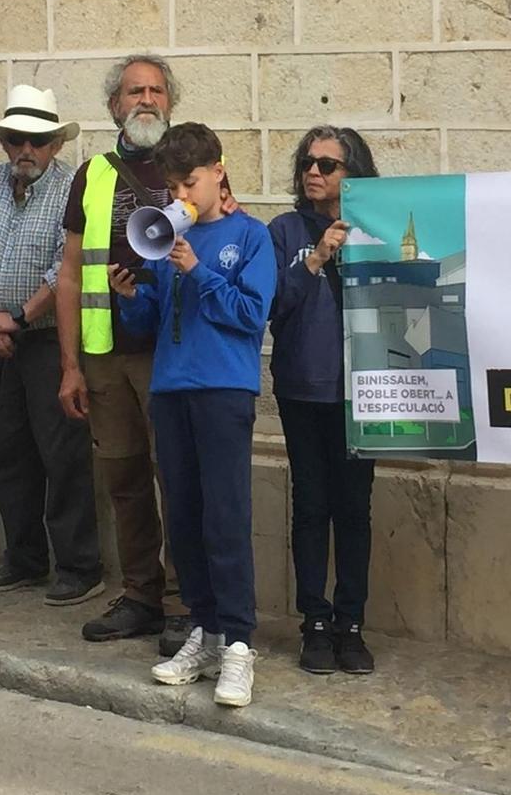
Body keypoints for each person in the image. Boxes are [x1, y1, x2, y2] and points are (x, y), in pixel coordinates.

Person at [109, 123, 276, 709]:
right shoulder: (165, 240)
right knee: (183, 516)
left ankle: (238, 643)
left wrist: (196, 269)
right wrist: (133, 296)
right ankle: (203, 631)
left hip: (224, 389)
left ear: (218, 172)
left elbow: (251, 315)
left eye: (191, 182)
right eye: (173, 184)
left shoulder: (251, 237)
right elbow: (151, 323)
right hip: (171, 387)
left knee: (225, 517)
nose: (181, 194)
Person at [58, 53, 188, 651]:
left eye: (156, 91)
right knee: (126, 478)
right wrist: (69, 365)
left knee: (180, 476)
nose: (146, 100)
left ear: (171, 102)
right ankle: (141, 595)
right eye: (134, 91)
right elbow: (67, 273)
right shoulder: (93, 174)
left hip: (173, 352)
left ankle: (188, 601)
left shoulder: (196, 167)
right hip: (106, 353)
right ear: (114, 104)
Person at [0, 84, 102, 607]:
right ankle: (24, 557)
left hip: (47, 339)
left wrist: (15, 318)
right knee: (7, 452)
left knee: (62, 454)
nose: (27, 150)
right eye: (17, 139)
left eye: (38, 141)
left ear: (56, 145)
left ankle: (79, 565)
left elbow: (65, 271)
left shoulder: (72, 188)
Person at [268, 126, 381, 676]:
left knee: (353, 511)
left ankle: (351, 623)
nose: (314, 172)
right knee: (311, 506)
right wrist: (314, 260)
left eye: (328, 165)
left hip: (363, 393)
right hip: (302, 388)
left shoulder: (375, 229)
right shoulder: (285, 231)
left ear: (352, 174)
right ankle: (313, 621)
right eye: (308, 163)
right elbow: (272, 305)